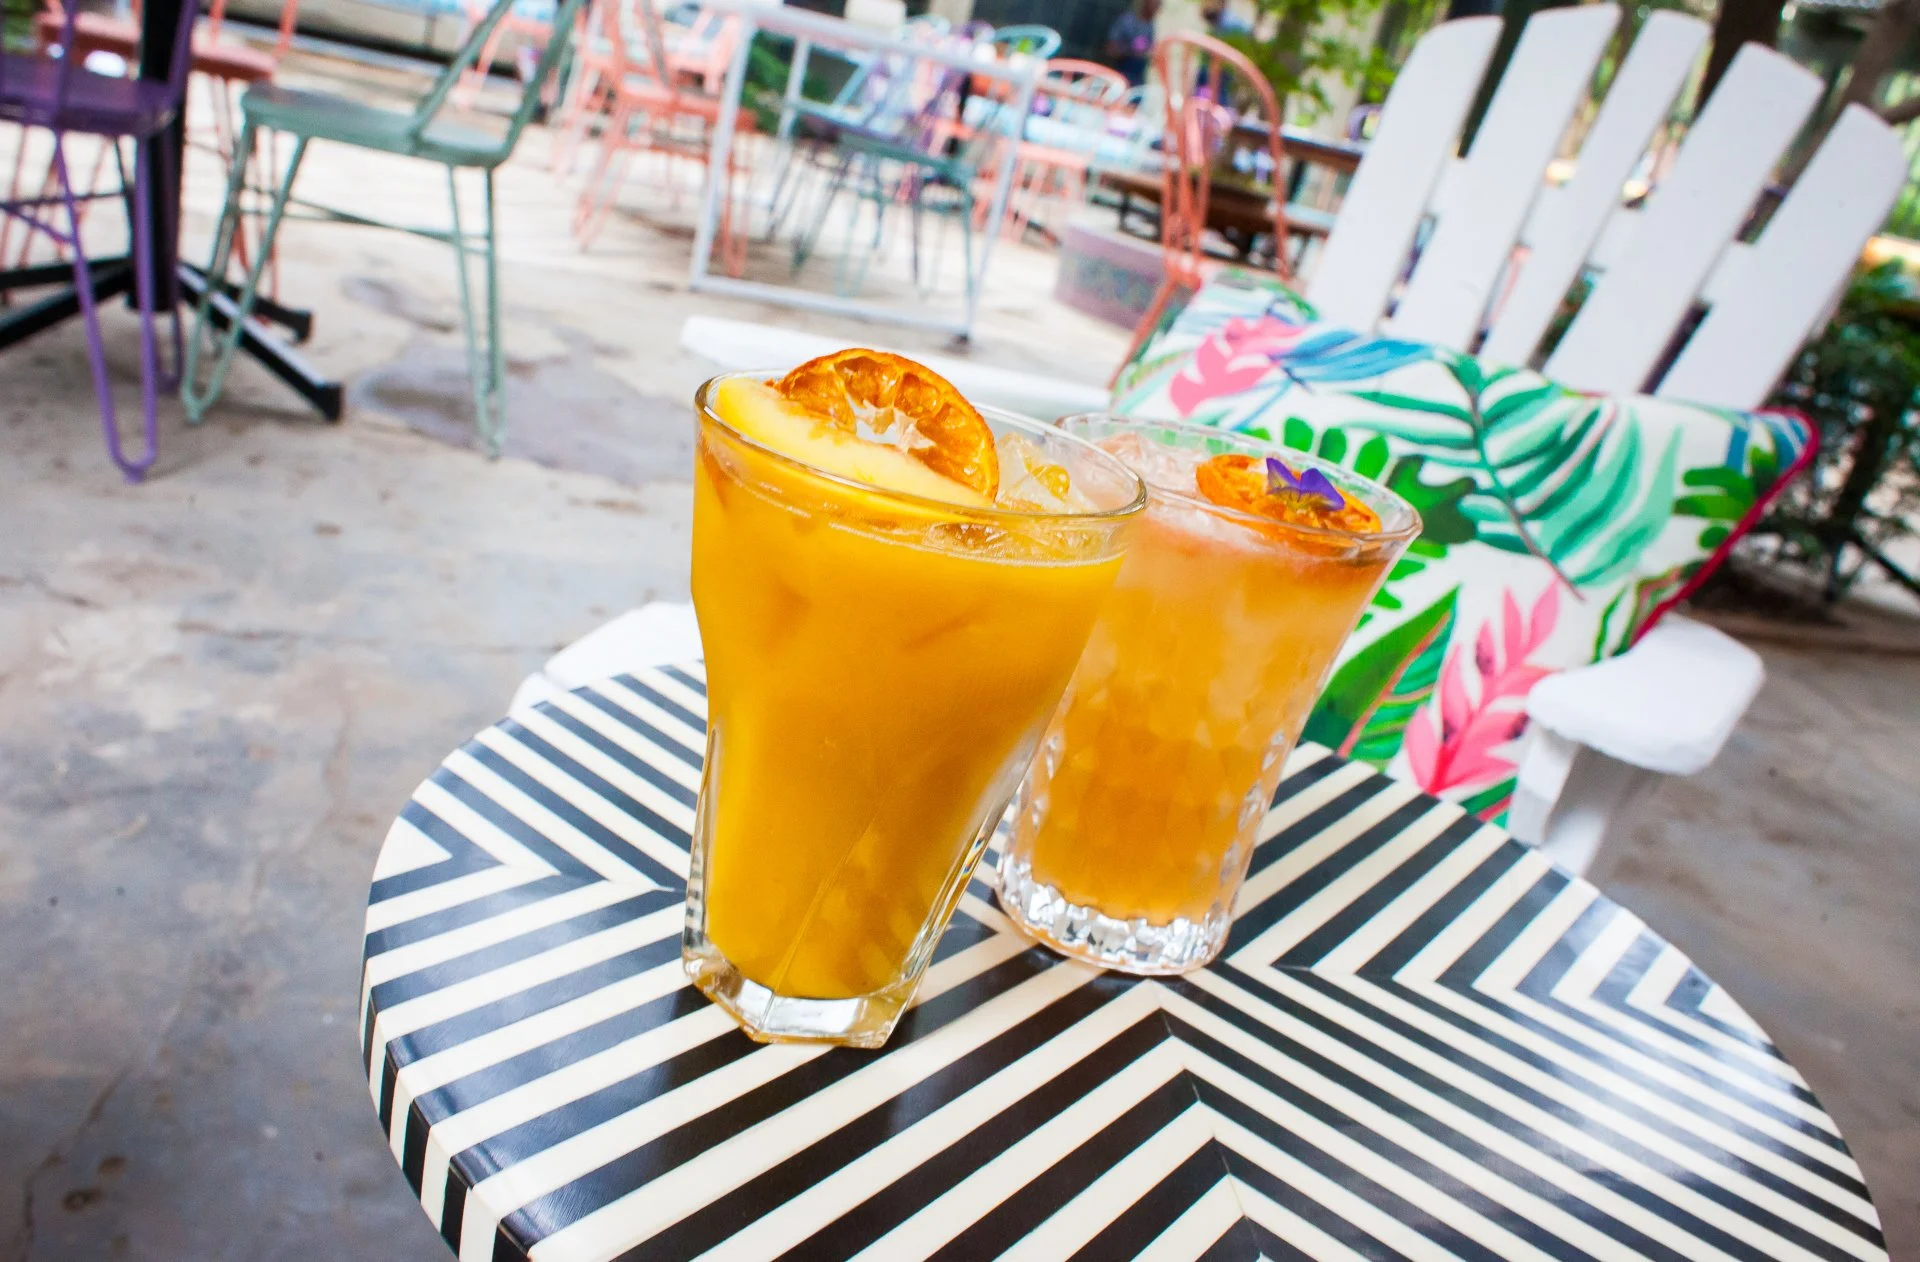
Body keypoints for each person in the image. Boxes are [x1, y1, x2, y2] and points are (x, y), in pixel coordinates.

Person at [1105, 0, 1160, 86]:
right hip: (1121, 73)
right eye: (1154, 3)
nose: (1157, 8)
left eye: (1158, 5)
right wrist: (1129, 50)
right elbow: (1111, 49)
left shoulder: (1151, 26)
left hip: (1137, 78)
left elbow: (1152, 53)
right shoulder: (1127, 21)